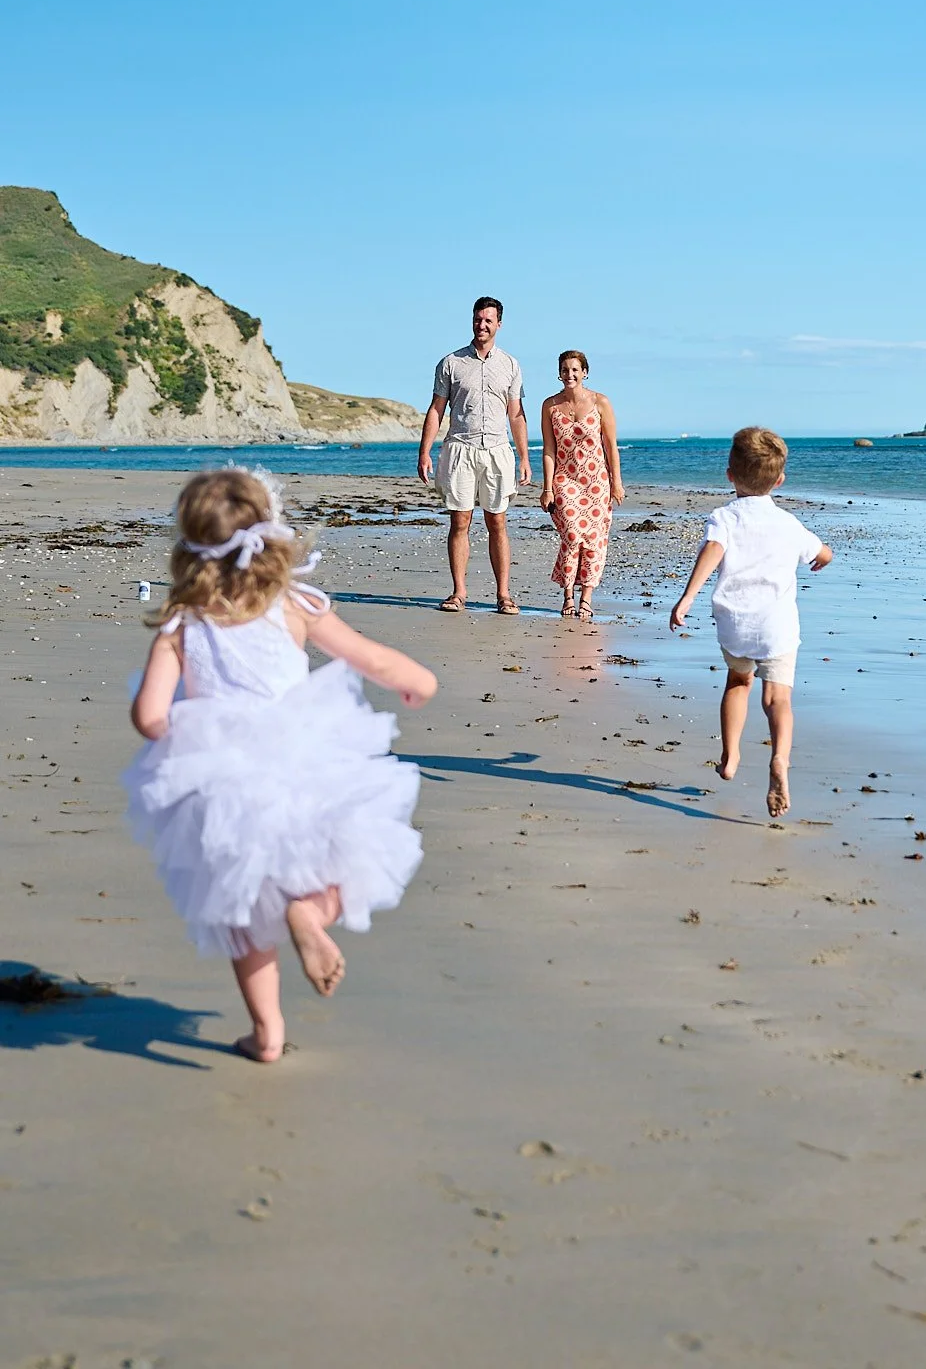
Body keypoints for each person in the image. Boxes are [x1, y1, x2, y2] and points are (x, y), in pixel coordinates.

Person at [124, 468, 437, 1064]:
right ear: (270, 534)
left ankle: (266, 1033)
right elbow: (367, 658)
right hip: (306, 758)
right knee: (348, 861)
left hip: (220, 781)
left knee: (240, 910)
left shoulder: (181, 623)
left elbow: (148, 715)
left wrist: (184, 738)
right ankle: (310, 913)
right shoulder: (294, 605)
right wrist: (417, 680)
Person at [670, 426, 832, 818]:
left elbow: (713, 550)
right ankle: (779, 760)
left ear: (730, 475)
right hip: (777, 627)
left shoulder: (724, 517)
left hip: (736, 624)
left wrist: (688, 597)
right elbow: (822, 552)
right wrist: (822, 557)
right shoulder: (789, 523)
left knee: (738, 684)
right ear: (779, 480)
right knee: (778, 699)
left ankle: (730, 756)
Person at [417, 296, 533, 615]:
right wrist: (424, 451)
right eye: (477, 319)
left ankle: (504, 595)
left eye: (488, 320)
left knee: (497, 522)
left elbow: (516, 414)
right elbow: (437, 409)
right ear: (472, 320)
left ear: (499, 324)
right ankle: (458, 593)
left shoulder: (510, 365)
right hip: (460, 448)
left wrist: (524, 457)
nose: (482, 325)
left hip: (497, 450)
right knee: (460, 520)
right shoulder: (451, 363)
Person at [540, 350, 624, 622]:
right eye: (565, 369)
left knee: (594, 542)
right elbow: (548, 450)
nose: (570, 374)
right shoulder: (550, 406)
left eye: (575, 369)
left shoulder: (601, 402)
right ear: (559, 373)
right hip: (565, 481)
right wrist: (547, 488)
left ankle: (586, 599)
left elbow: (611, 446)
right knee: (573, 535)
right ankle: (567, 595)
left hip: (597, 483)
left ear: (585, 372)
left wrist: (617, 484)